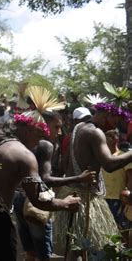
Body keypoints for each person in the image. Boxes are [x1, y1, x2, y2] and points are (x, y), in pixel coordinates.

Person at [0, 86, 81, 260]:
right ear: (28, 131)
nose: (38, 143)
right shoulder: (24, 156)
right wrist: (65, 203)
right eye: (39, 136)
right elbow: (38, 199)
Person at [12, 87, 95, 261]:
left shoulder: (26, 141)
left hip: (19, 198)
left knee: (30, 252)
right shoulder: (46, 145)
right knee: (43, 254)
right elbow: (46, 179)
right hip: (35, 203)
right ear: (44, 124)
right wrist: (79, 178)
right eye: (56, 127)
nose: (59, 131)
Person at [53, 101, 132, 256]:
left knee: (74, 249)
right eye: (114, 120)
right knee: (97, 250)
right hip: (84, 199)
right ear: (104, 115)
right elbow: (109, 164)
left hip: (71, 194)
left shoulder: (77, 128)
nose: (115, 126)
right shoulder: (95, 133)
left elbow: (65, 162)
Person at [102, 129, 132, 230]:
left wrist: (128, 197)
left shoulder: (123, 157)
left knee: (121, 228)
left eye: (109, 136)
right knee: (105, 228)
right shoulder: (101, 157)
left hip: (119, 198)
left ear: (116, 138)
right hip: (103, 198)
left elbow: (130, 178)